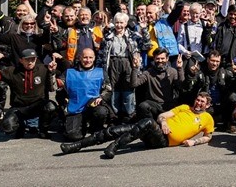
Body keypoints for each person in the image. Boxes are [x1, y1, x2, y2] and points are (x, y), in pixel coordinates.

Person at [61, 92, 214, 159]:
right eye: (198, 100)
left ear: (207, 105)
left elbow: (208, 136)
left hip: (164, 142)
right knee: (112, 130)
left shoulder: (207, 118)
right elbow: (162, 115)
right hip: (157, 130)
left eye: (202, 102)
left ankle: (114, 147)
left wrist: (194, 142)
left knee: (147, 122)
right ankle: (76, 145)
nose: (198, 103)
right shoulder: (184, 107)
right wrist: (164, 122)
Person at [0, 48, 58, 138]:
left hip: (37, 106)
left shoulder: (43, 69)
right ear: (21, 60)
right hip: (19, 108)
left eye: (32, 59)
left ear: (36, 59)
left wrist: (51, 72)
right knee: (8, 126)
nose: (30, 62)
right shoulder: (12, 71)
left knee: (51, 106)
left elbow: (52, 88)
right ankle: (20, 127)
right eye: (27, 60)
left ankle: (43, 130)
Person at [96, 12, 141, 121]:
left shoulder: (133, 35)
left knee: (128, 88)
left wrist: (143, 30)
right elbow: (101, 54)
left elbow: (146, 45)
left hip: (127, 63)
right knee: (114, 89)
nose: (119, 25)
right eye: (117, 22)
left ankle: (129, 114)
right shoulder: (108, 37)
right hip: (112, 63)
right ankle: (115, 115)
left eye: (121, 23)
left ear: (126, 23)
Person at [59, 47, 112, 141]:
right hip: (75, 109)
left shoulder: (101, 72)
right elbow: (56, 87)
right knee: (73, 136)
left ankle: (95, 128)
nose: (88, 60)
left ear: (94, 58)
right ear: (80, 58)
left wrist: (101, 97)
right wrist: (51, 73)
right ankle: (79, 125)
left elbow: (108, 90)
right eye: (85, 57)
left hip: (92, 107)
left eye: (90, 57)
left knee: (101, 112)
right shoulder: (69, 73)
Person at [131, 47, 184, 122]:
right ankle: (152, 125)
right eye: (157, 58)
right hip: (153, 105)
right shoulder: (148, 72)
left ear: (167, 59)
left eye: (162, 58)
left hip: (168, 105)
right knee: (143, 106)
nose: (160, 61)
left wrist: (180, 69)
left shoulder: (173, 71)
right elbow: (134, 84)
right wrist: (135, 68)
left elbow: (181, 87)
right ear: (154, 59)